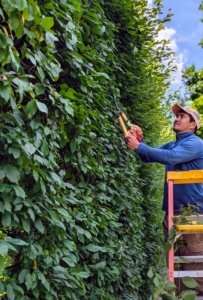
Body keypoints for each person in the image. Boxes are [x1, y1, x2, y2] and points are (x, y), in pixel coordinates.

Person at [124, 104, 203, 295]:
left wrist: (140, 146)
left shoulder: (195, 143)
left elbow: (171, 157)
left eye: (183, 116)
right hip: (172, 213)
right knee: (174, 268)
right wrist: (139, 140)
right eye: (177, 115)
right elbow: (149, 156)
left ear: (193, 125)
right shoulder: (173, 144)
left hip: (192, 214)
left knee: (194, 266)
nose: (177, 118)